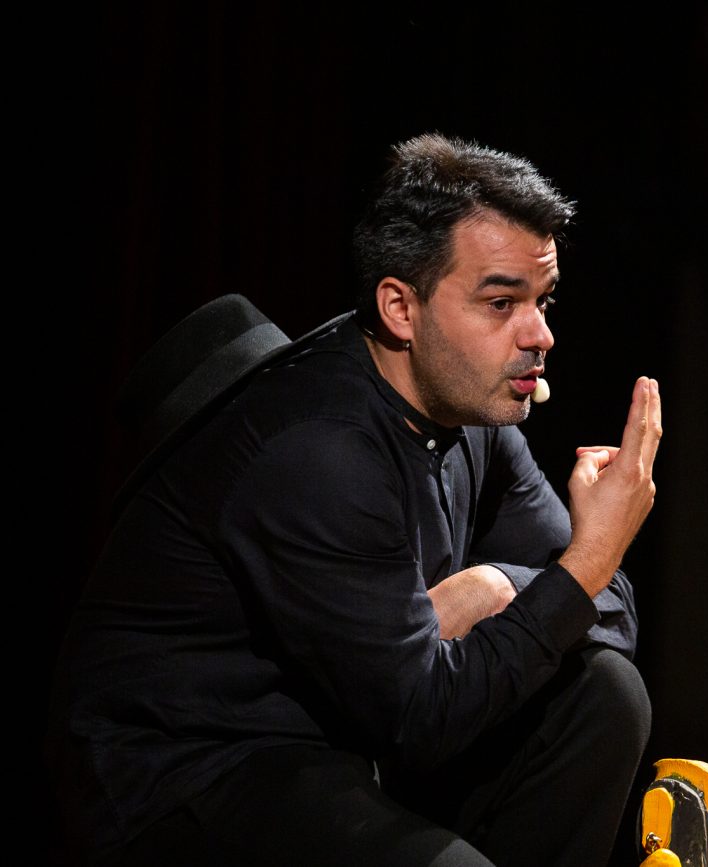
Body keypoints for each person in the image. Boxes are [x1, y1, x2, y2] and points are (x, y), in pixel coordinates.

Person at [47, 132, 661, 866]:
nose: (541, 334)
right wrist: (584, 560)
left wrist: (499, 583)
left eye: (543, 299)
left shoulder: (473, 414)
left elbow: (607, 610)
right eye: (502, 301)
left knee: (604, 693)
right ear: (402, 307)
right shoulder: (319, 450)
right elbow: (420, 716)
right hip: (194, 771)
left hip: (345, 745)